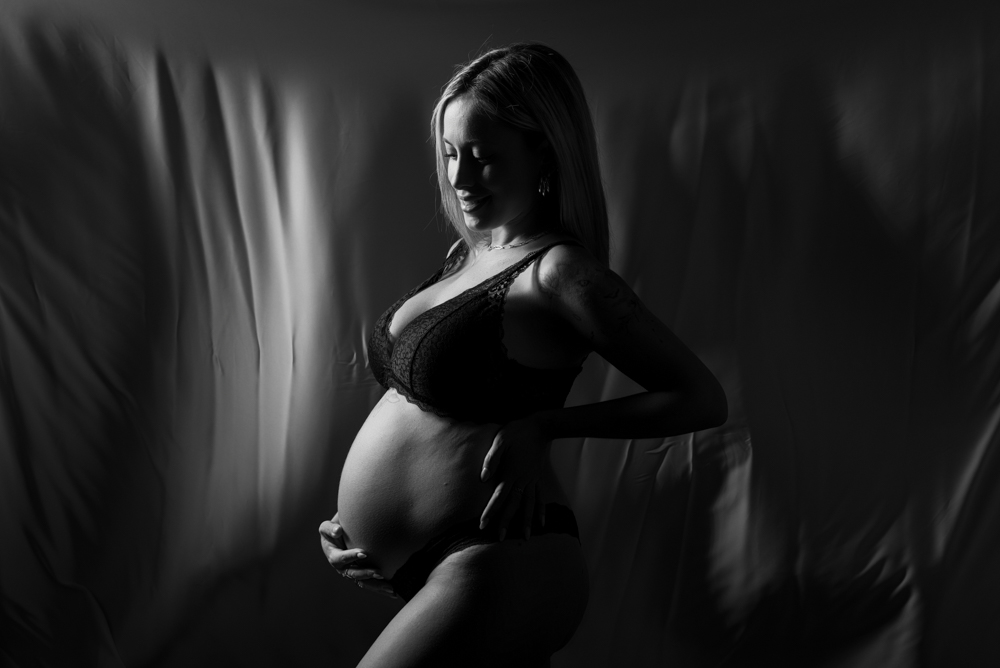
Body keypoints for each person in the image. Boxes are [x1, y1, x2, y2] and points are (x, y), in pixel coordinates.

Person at [318, 42, 728, 667]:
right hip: (444, 565)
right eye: (450, 154)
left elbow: (701, 398)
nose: (459, 179)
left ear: (544, 153)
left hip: (503, 556)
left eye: (482, 157)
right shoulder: (467, 256)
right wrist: (356, 522)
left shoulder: (561, 272)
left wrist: (547, 426)